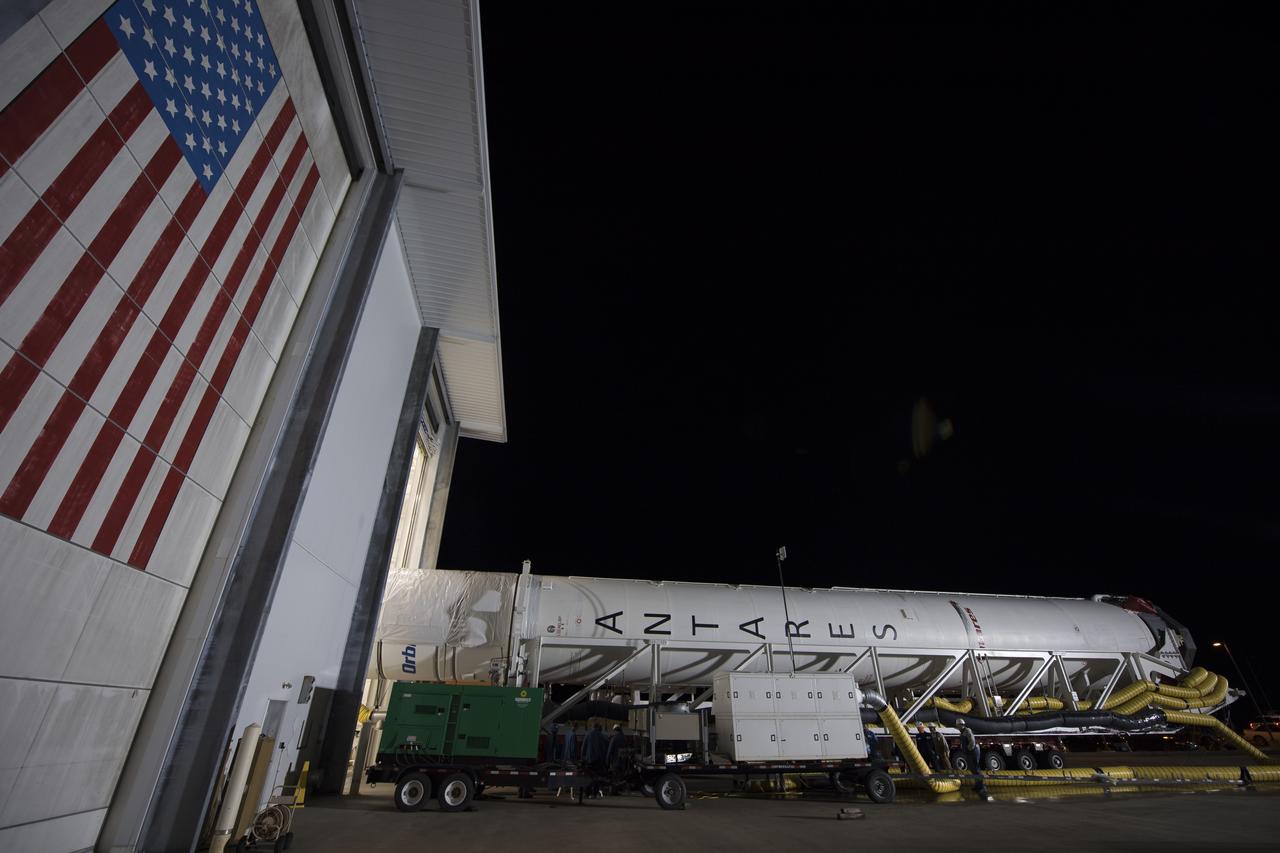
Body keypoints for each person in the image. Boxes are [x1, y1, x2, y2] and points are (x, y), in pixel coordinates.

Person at [956, 719, 988, 799]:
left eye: (958, 725)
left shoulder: (967, 730)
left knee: (976, 768)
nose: (958, 727)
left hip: (973, 752)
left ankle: (982, 787)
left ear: (961, 725)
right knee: (972, 769)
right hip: (969, 753)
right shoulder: (962, 732)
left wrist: (968, 750)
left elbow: (972, 742)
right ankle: (977, 785)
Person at [582, 723, 609, 796]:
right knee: (596, 777)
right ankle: (594, 793)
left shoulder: (588, 734)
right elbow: (604, 749)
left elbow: (583, 747)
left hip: (589, 760)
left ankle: (587, 792)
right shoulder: (602, 736)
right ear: (598, 728)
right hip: (598, 760)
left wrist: (583, 758)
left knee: (588, 776)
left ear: (593, 727)